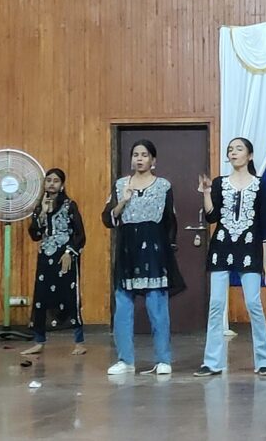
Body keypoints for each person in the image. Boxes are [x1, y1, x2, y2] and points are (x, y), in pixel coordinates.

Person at [194, 137, 266, 377]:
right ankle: (212, 362)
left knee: (253, 304)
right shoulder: (220, 183)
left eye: (239, 149)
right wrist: (207, 193)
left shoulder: (260, 185)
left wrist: (265, 260)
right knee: (216, 305)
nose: (233, 152)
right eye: (230, 149)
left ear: (250, 156)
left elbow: (265, 224)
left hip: (250, 248)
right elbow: (212, 217)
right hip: (222, 246)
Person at [102, 140, 184, 376]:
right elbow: (107, 219)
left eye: (144, 155)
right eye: (136, 154)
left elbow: (170, 221)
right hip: (127, 251)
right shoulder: (120, 185)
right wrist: (123, 201)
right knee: (123, 307)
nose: (139, 159)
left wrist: (167, 250)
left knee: (157, 306)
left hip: (154, 252)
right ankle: (125, 360)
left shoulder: (164, 186)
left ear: (153, 160)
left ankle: (163, 359)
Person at [21, 168, 87, 356]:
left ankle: (79, 342)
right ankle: (39, 341)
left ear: (62, 185)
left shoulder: (69, 206)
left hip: (65, 257)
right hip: (46, 257)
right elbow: (35, 235)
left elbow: (80, 234)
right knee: (41, 298)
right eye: (48, 180)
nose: (51, 184)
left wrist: (69, 252)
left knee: (69, 296)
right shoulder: (39, 208)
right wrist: (42, 213)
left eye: (56, 181)